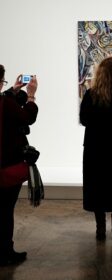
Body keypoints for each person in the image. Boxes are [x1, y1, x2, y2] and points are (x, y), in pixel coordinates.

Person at [80, 57, 112, 241]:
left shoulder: (91, 95)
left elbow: (84, 119)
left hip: (95, 149)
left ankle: (100, 228)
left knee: (97, 187)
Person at [0, 65, 38, 266]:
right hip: (6, 166)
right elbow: (27, 117)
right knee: (5, 210)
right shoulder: (6, 103)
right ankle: (5, 251)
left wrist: (13, 90)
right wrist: (30, 96)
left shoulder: (5, 100)